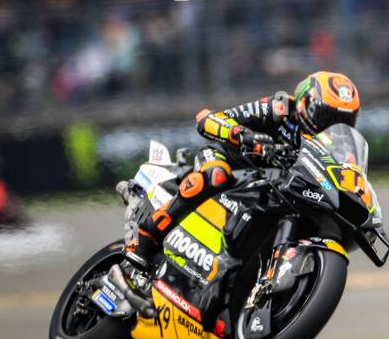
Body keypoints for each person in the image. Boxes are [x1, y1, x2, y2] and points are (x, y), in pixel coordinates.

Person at [97, 71, 362, 315]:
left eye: (343, 121)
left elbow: (348, 180)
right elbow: (207, 118)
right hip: (230, 162)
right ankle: (143, 242)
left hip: (269, 191)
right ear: (307, 104)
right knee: (216, 176)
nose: (333, 126)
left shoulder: (337, 148)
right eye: (329, 117)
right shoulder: (281, 109)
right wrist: (243, 135)